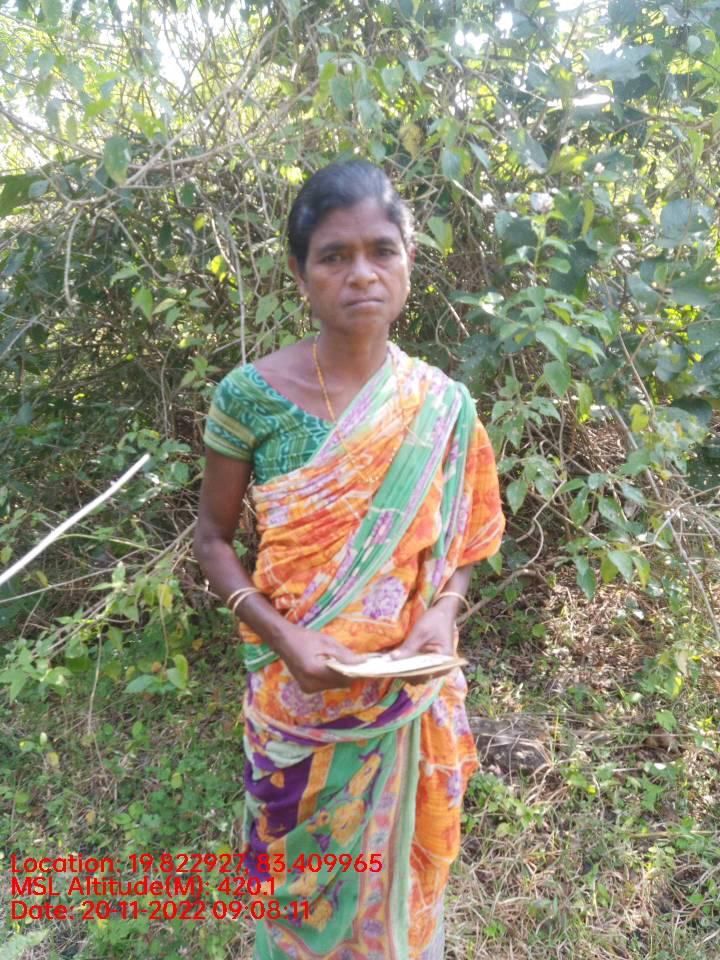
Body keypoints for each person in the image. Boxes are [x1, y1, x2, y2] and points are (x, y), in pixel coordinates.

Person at [193, 159, 505, 959]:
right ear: (301, 275)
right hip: (296, 710)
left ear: (408, 262)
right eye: (334, 256)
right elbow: (213, 540)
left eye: (381, 250)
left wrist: (444, 611)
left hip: (405, 707)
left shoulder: (442, 405)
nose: (361, 273)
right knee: (297, 905)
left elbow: (466, 538)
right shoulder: (250, 398)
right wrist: (283, 638)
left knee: (401, 915)